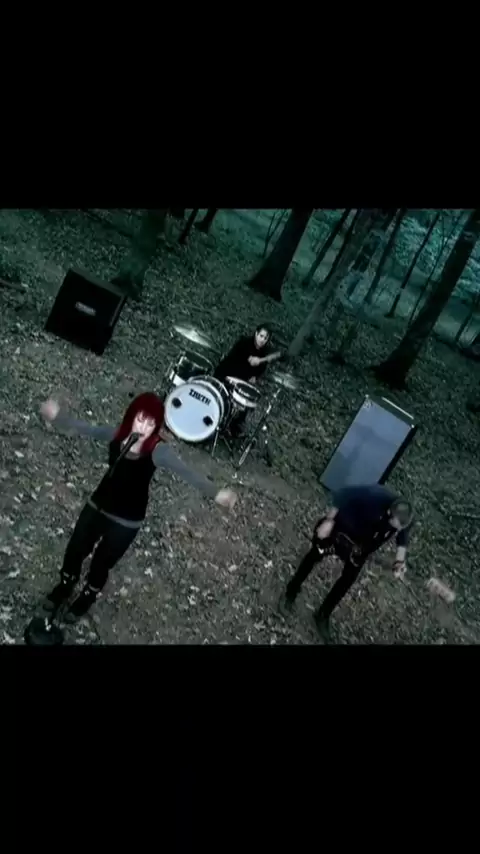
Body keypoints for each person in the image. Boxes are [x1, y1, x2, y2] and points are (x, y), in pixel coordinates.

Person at [39, 392, 237, 622]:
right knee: (75, 548)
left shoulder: (158, 451)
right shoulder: (117, 435)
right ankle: (65, 585)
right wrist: (57, 417)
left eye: (150, 423)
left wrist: (216, 493)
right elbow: (86, 428)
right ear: (131, 416)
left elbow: (186, 472)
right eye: (140, 419)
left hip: (126, 519)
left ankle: (87, 596)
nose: (143, 427)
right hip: (98, 505)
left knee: (102, 562)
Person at [279, 484, 413, 643]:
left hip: (360, 548)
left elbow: (402, 535)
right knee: (314, 556)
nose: (397, 529)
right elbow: (342, 493)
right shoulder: (375, 496)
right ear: (390, 512)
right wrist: (328, 521)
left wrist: (399, 561)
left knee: (348, 579)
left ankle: (323, 614)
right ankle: (290, 592)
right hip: (340, 532)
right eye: (395, 525)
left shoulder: (406, 516)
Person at [214, 324, 283, 437]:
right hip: (227, 373)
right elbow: (250, 361)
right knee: (225, 398)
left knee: (247, 399)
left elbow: (264, 365)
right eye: (261, 336)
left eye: (265, 338)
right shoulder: (244, 343)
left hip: (242, 380)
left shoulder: (263, 352)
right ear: (256, 333)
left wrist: (255, 376)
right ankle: (219, 417)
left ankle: (232, 428)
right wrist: (260, 360)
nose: (262, 340)